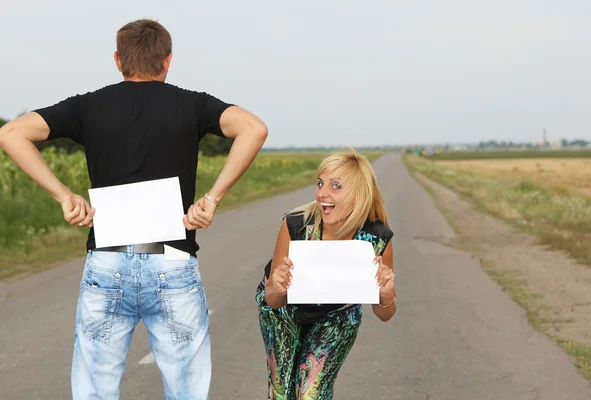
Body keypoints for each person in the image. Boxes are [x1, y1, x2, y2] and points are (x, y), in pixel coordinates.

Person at [0, 19, 267, 400]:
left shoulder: (87, 106)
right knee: (187, 391)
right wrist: (212, 198)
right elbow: (254, 128)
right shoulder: (192, 103)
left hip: (107, 262)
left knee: (94, 389)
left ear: (117, 59)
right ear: (168, 60)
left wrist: (64, 196)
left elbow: (11, 133)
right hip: (172, 260)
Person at [254, 148, 396, 399]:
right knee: (281, 392)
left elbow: (385, 314)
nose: (322, 193)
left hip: (337, 315)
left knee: (310, 393)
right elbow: (273, 300)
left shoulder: (375, 238)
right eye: (320, 184)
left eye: (336, 186)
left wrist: (385, 294)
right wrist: (277, 288)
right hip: (284, 311)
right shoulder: (296, 224)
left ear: (358, 193)